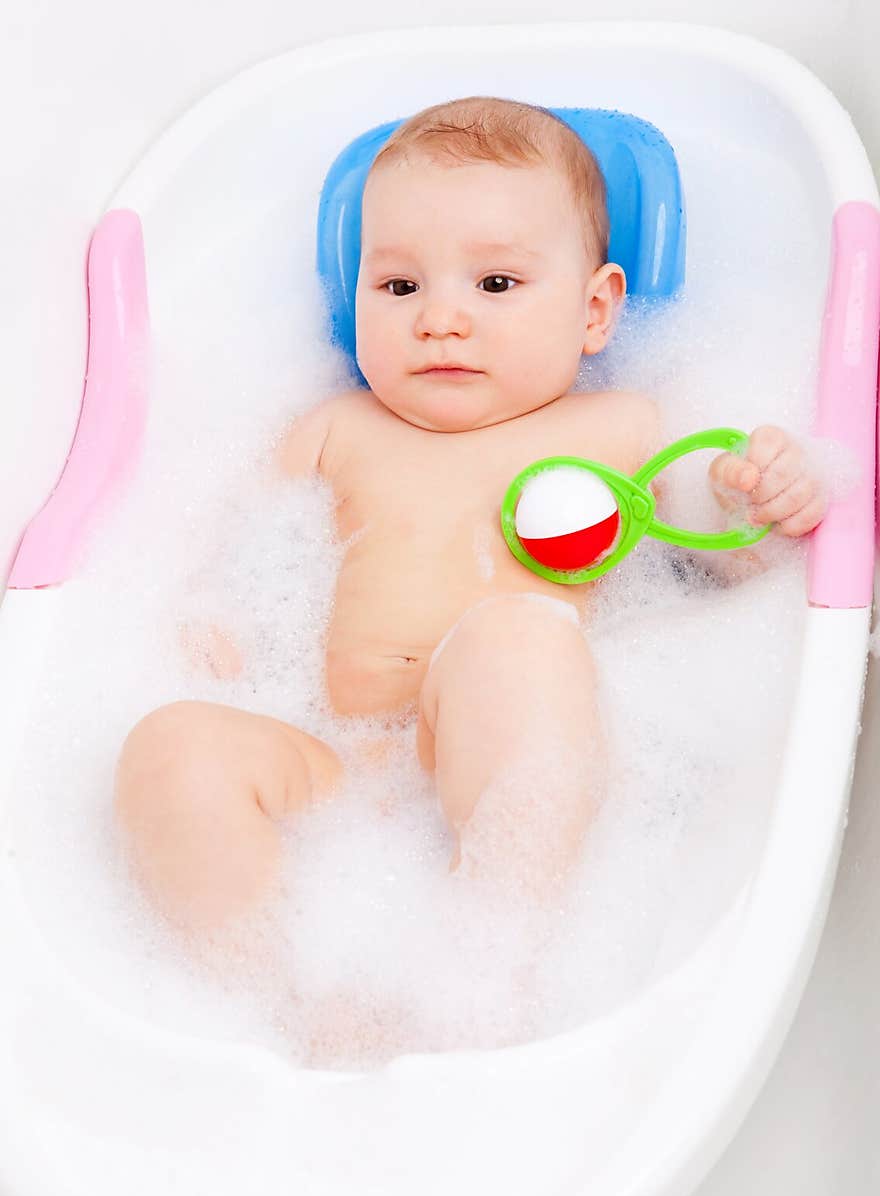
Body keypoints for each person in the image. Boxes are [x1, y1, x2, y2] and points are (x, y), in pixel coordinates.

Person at [114, 96, 826, 947]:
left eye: (495, 284)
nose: (439, 317)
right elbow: (232, 542)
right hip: (341, 763)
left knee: (514, 640)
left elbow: (720, 555)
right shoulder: (336, 428)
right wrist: (214, 616)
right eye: (399, 284)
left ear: (595, 312)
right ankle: (278, 989)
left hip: (514, 768)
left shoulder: (623, 428)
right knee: (171, 746)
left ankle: (493, 950)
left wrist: (760, 500)